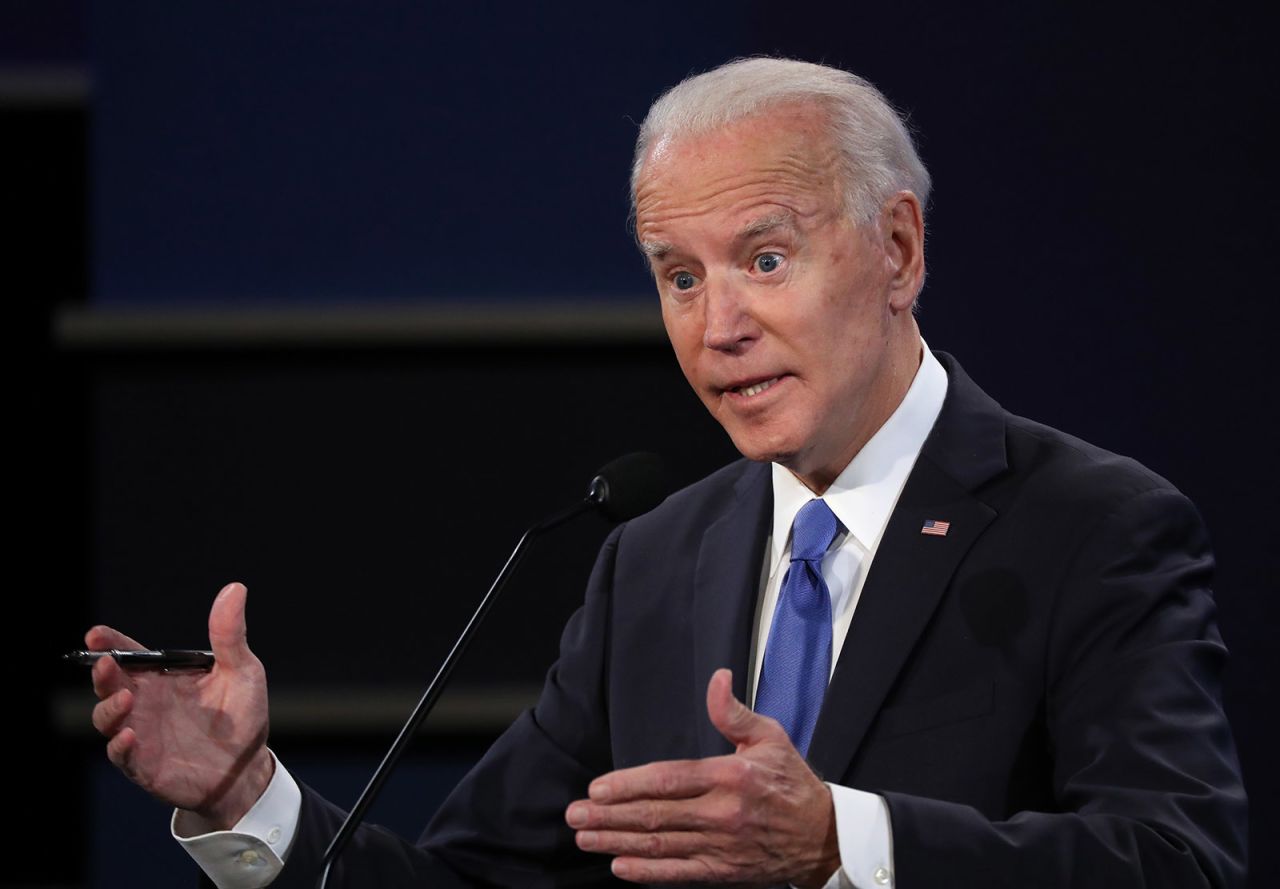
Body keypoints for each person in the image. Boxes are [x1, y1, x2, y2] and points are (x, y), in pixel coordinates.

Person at [85, 57, 1248, 888]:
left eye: (765, 257)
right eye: (677, 275)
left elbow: (1176, 857)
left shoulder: (1091, 526)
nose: (716, 324)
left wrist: (842, 841)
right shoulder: (650, 559)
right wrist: (246, 800)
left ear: (896, 250)